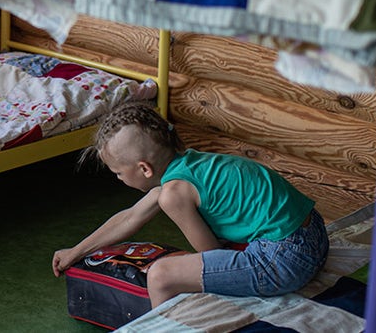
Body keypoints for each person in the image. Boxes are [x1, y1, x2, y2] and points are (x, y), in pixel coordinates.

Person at [52, 102, 328, 307]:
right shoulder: (189, 166)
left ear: (144, 169)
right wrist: (75, 252)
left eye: (118, 173)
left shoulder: (173, 193)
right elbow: (131, 217)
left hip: (285, 261)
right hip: (315, 236)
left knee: (161, 275)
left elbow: (210, 253)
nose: (119, 178)